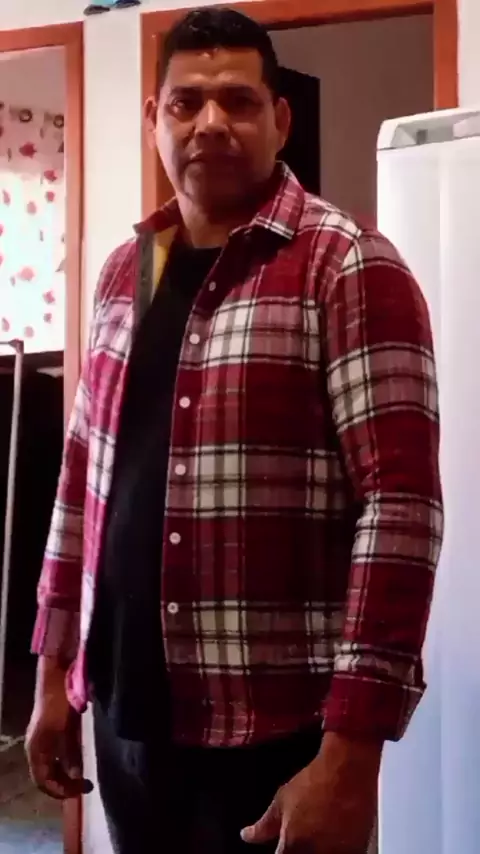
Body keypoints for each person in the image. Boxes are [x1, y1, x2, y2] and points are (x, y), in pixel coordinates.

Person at [25, 7, 443, 854]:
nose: (210, 122)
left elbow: (400, 510)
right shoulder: (125, 272)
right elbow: (83, 484)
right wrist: (52, 678)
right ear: (155, 119)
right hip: (128, 722)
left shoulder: (348, 266)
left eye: (239, 101)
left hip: (276, 736)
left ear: (280, 119)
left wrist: (351, 753)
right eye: (186, 103)